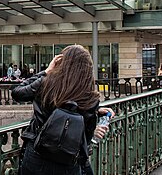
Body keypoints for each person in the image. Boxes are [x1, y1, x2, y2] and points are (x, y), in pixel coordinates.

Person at [9, 45, 114, 175]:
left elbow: (17, 93)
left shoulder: (45, 83)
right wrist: (96, 112)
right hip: (68, 160)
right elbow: (85, 136)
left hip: (37, 154)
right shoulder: (90, 97)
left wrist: (46, 71)